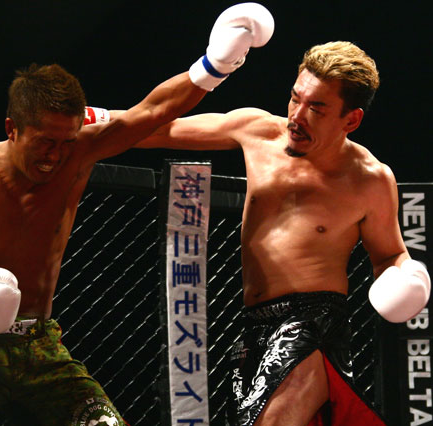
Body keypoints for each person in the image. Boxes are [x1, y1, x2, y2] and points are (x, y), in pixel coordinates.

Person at [0, 3, 275, 425]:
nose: (55, 155)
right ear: (12, 129)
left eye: (66, 141)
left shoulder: (80, 154)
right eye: (45, 141)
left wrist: (213, 66)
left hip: (39, 343)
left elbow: (151, 112)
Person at [134, 41, 431, 425]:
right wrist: (86, 118)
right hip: (253, 324)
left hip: (314, 327)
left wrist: (405, 274)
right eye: (295, 98)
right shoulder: (257, 131)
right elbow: (155, 129)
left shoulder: (370, 179)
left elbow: (388, 254)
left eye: (317, 108)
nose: (297, 115)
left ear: (351, 120)